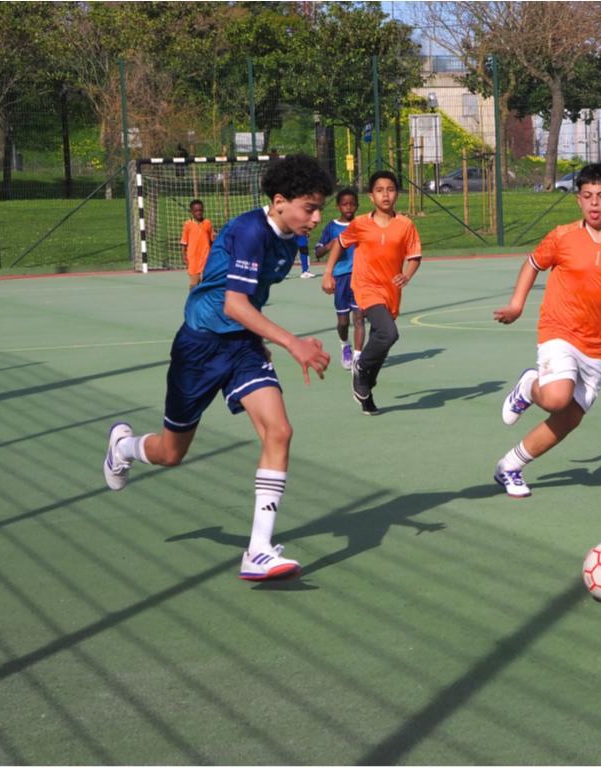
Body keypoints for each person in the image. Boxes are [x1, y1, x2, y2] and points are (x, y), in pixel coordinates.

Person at [103, 154, 334, 581]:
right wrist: (291, 342)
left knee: (279, 431)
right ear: (279, 201)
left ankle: (258, 550)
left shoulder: (288, 242)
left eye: (320, 209)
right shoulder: (249, 231)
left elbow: (251, 302)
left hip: (242, 348)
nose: (316, 218)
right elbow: (233, 304)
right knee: (171, 453)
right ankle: (123, 448)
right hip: (200, 347)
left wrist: (259, 340)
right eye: (310, 208)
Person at [492, 162, 601, 498]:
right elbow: (532, 264)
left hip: (596, 345)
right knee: (557, 398)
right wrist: (516, 305)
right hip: (558, 329)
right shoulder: (563, 236)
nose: (594, 203)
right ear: (578, 199)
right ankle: (530, 386)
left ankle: (510, 466)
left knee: (570, 418)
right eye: (587, 196)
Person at [322, 170, 422, 415]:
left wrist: (407, 275)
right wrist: (328, 272)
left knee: (382, 343)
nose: (385, 195)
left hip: (391, 291)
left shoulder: (405, 225)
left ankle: (366, 393)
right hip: (366, 288)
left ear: (397, 194)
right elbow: (340, 244)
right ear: (371, 196)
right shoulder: (360, 224)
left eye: (390, 189)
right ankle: (360, 366)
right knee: (389, 334)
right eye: (379, 190)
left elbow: (415, 256)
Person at [316, 188, 363, 371]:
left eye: (352, 204)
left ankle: (358, 358)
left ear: (357, 205)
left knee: (359, 318)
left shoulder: (362, 224)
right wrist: (331, 245)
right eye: (345, 204)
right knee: (343, 321)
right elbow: (318, 252)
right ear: (338, 206)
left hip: (359, 278)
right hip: (341, 278)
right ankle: (345, 345)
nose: (349, 207)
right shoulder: (332, 227)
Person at [180, 199, 215, 289]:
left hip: (206, 257)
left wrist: (213, 255)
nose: (198, 213)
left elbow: (212, 241)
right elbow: (184, 243)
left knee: (206, 282)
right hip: (193, 258)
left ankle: (205, 298)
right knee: (194, 283)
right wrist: (184, 257)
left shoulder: (207, 223)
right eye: (196, 211)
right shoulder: (188, 224)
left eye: (200, 210)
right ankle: (193, 297)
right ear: (191, 211)